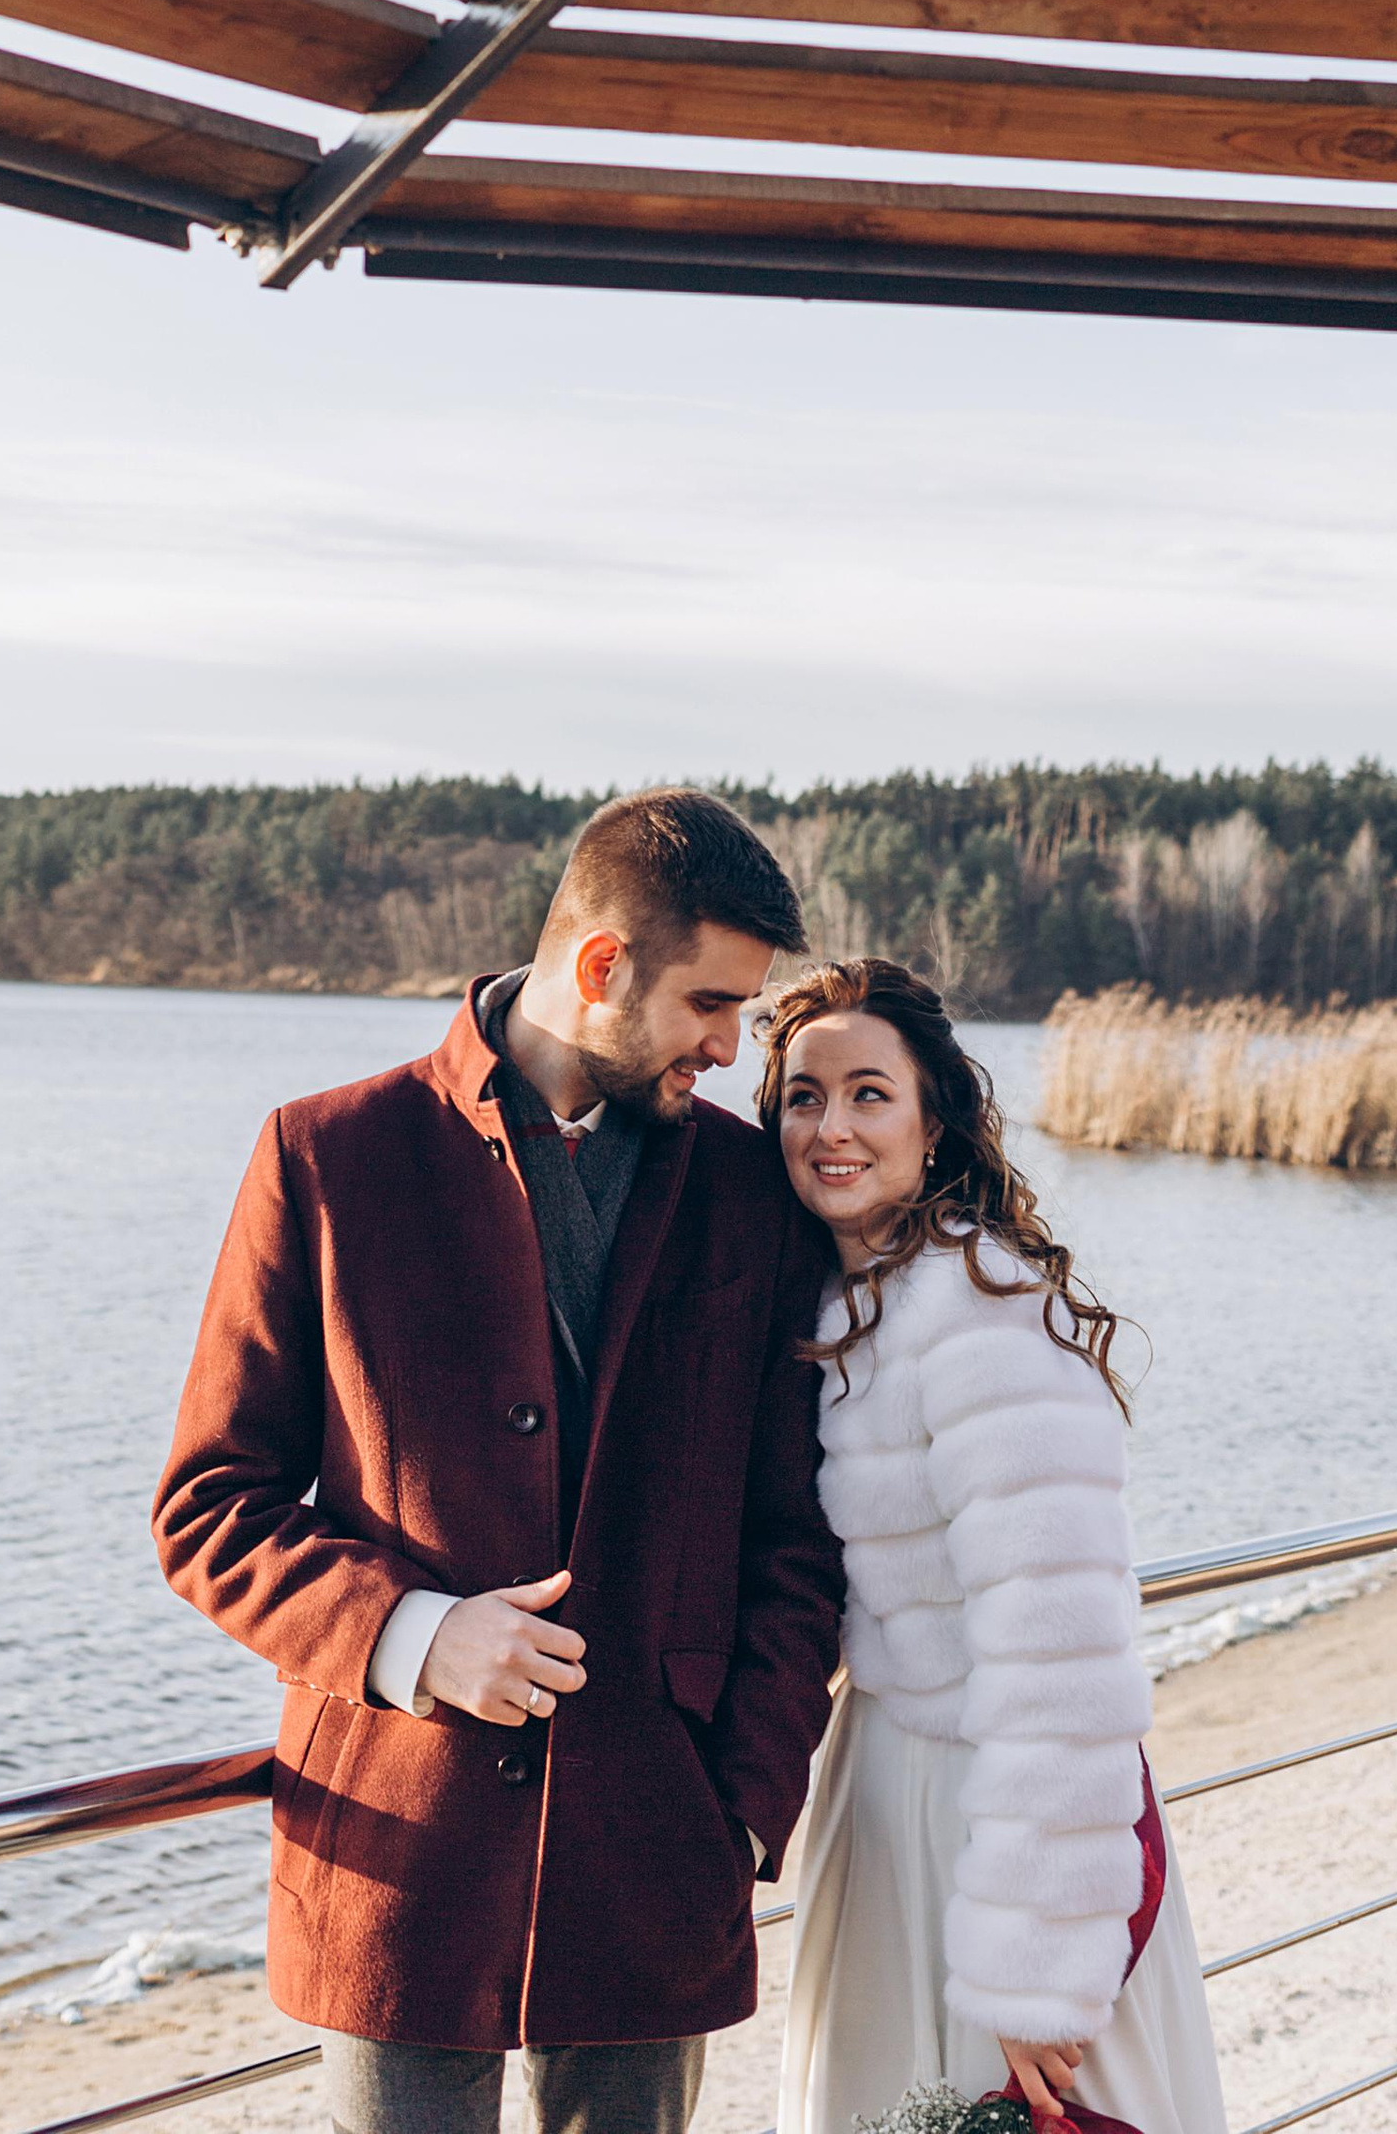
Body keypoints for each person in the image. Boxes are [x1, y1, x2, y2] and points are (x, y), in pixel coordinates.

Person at [154, 789, 844, 2134]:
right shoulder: (327, 1157)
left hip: (661, 1858)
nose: (728, 1044)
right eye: (709, 1006)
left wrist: (745, 1815)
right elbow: (209, 1506)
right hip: (394, 1860)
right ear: (599, 967)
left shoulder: (754, 1194)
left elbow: (797, 1542)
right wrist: (411, 1634)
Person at [759, 956, 1227, 2134]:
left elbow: (1063, 1656)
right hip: (881, 1795)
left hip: (1003, 1829)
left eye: (870, 1093)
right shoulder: (847, 1305)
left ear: (934, 1122)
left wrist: (1042, 1963)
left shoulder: (985, 1316)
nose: (831, 1126)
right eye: (802, 1097)